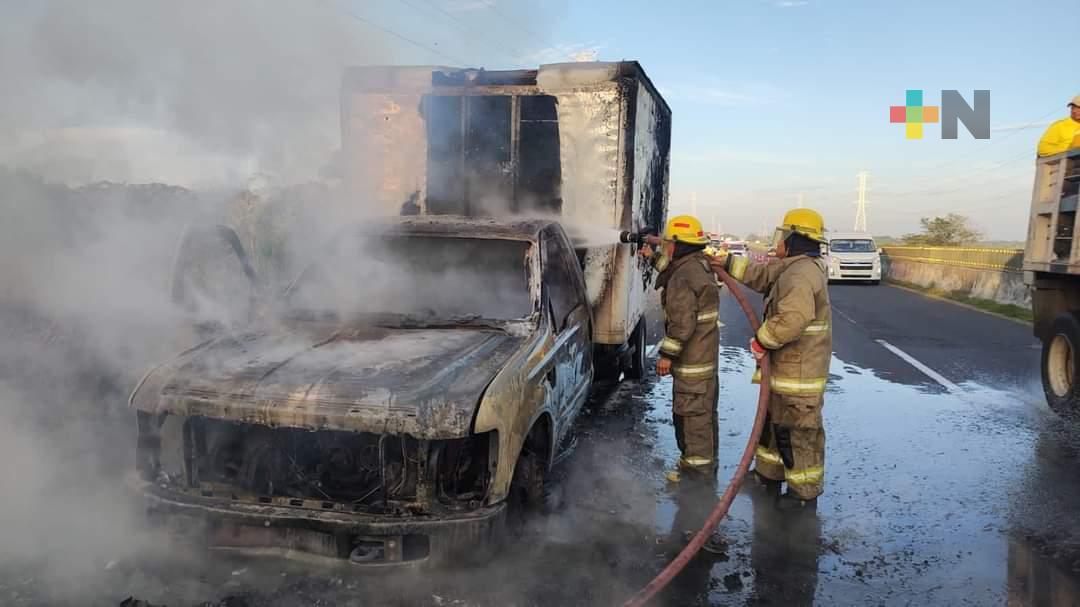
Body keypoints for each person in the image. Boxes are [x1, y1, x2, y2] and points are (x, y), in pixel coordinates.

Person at [710, 208, 831, 508]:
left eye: (781, 235)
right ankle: (768, 477)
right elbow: (761, 275)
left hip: (799, 376)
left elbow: (793, 318)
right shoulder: (792, 267)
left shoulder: (802, 274)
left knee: (798, 433)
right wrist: (724, 261)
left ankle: (803, 498)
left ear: (793, 238)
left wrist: (763, 340)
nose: (777, 241)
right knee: (774, 428)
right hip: (787, 371)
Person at [641, 215, 721, 483]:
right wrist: (652, 258)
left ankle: (695, 480)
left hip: (692, 364)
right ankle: (705, 468)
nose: (665, 247)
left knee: (690, 419)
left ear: (676, 244)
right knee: (703, 417)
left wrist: (666, 355)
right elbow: (673, 271)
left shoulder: (684, 276)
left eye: (668, 243)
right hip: (704, 361)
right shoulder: (698, 265)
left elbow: (682, 323)